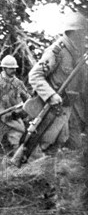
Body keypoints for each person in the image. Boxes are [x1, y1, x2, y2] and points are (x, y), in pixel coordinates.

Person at [27, 11, 88, 154]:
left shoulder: (79, 54)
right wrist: (51, 95)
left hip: (72, 107)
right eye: (81, 33)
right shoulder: (57, 51)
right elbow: (35, 75)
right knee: (51, 145)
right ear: (72, 32)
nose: (83, 37)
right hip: (53, 107)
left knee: (75, 145)